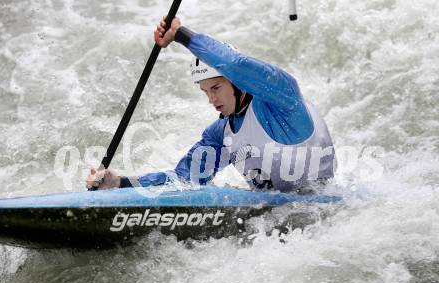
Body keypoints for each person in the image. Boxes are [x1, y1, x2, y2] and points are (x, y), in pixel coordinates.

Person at [86, 17, 336, 192]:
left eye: (216, 88)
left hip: (320, 211)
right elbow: (184, 179)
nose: (211, 99)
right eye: (205, 91)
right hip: (273, 225)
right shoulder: (221, 133)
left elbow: (235, 64)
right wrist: (119, 183)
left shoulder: (283, 102)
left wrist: (181, 35)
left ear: (238, 83)